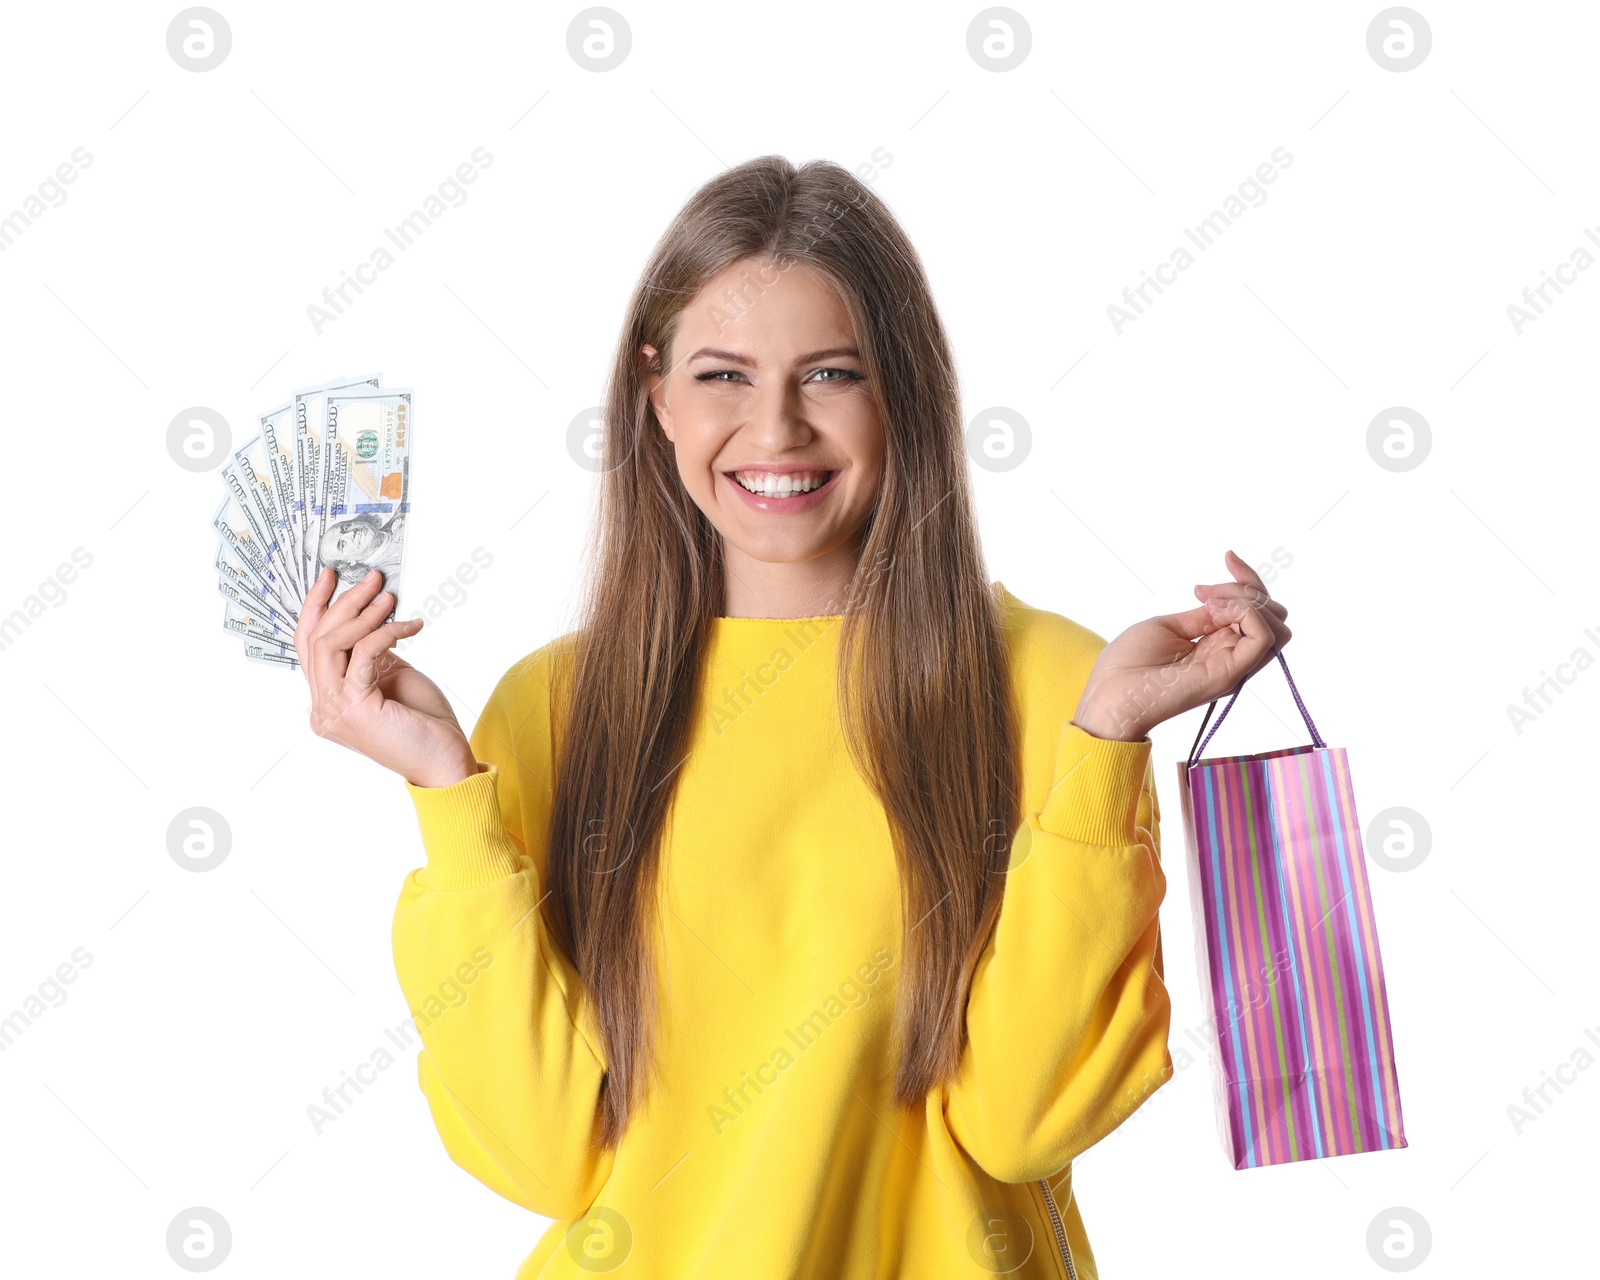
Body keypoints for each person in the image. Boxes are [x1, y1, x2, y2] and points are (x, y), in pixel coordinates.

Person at [294, 155, 1291, 1280]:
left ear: (901, 392)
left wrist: (1107, 740)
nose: (774, 429)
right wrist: (445, 797)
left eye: (829, 374)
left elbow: (1026, 1118)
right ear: (654, 392)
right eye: (723, 375)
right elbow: (540, 1157)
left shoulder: (1054, 685)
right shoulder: (554, 708)